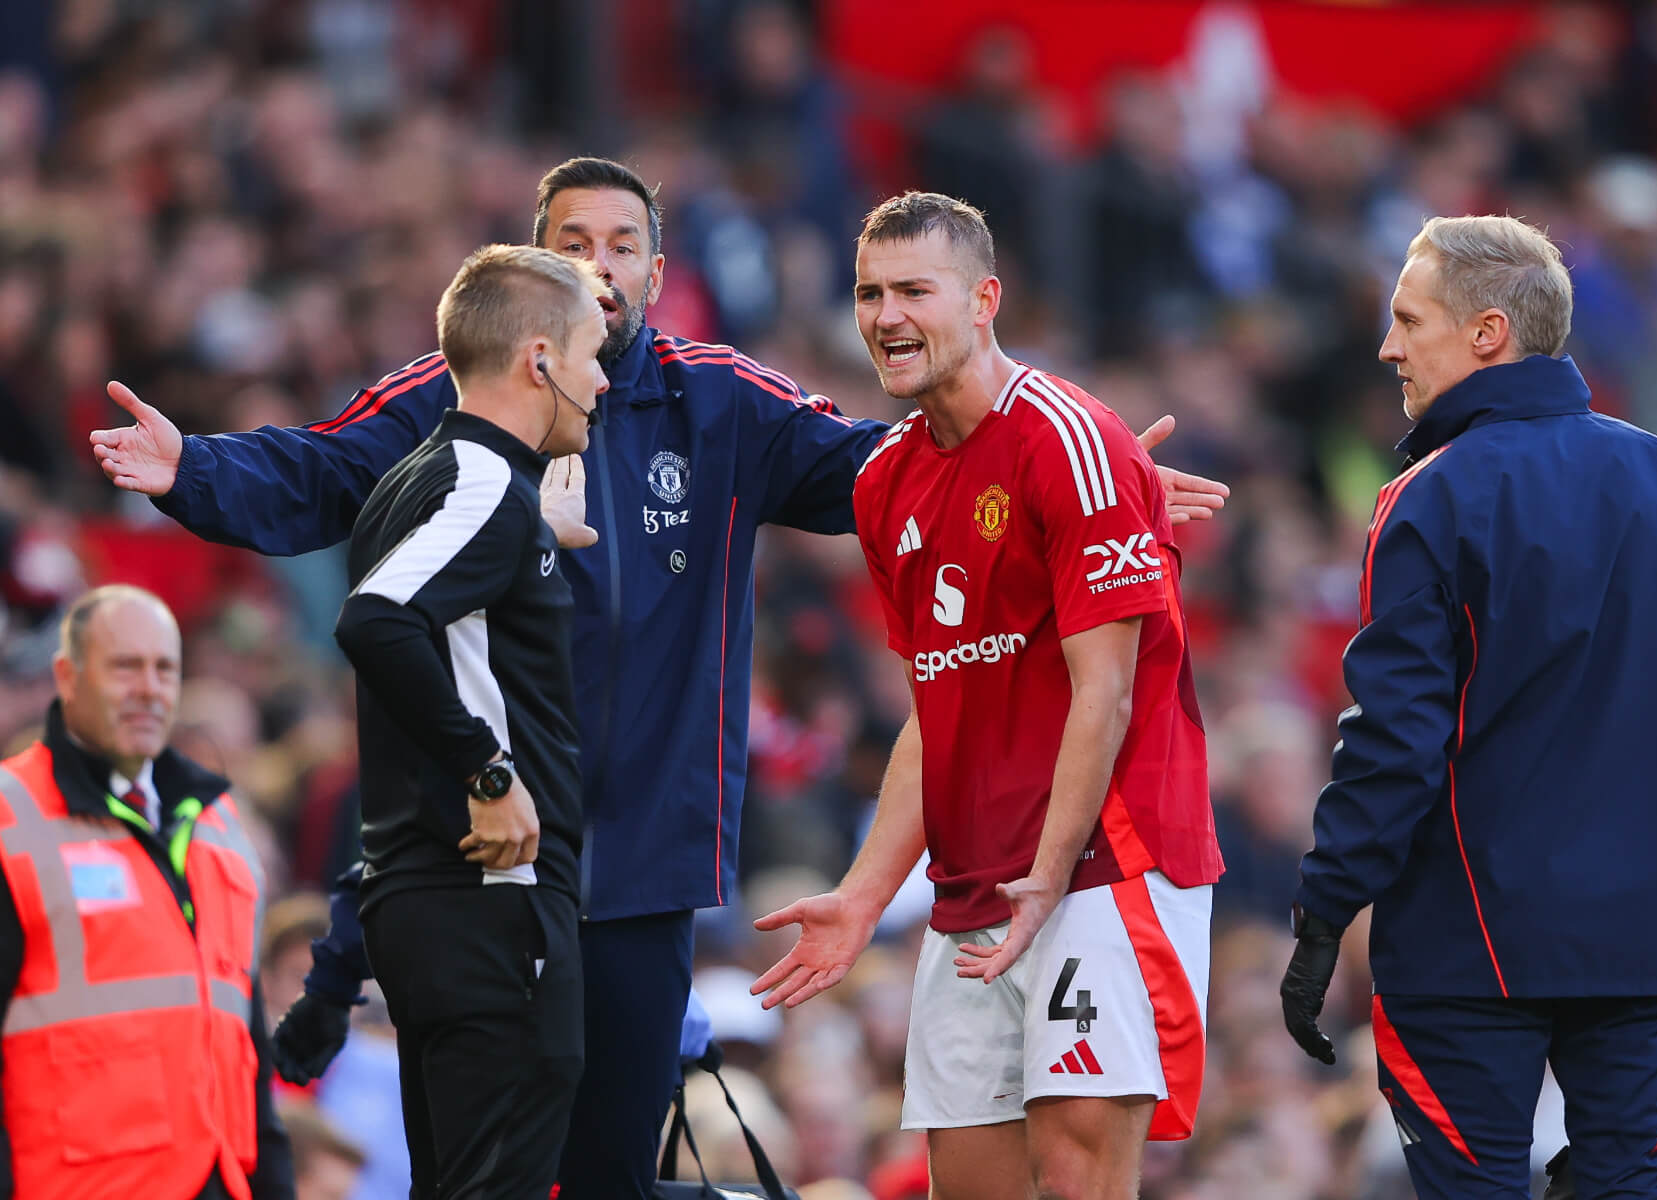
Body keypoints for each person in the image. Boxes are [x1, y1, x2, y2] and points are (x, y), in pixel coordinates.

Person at [88, 156, 1229, 1197]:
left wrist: (1082, 486)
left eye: (622, 242)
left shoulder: (719, 397)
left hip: (642, 866)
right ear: (537, 263)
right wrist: (192, 469)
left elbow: (879, 463)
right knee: (481, 1171)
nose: (598, 263)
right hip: (486, 855)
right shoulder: (458, 398)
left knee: (612, 1170)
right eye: (572, 240)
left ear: (656, 267)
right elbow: (324, 468)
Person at [1277, 215, 1657, 1199]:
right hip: (1652, 950)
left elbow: (1395, 743)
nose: (1388, 347)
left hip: (1467, 953)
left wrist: (1324, 914)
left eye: (1407, 319)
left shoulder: (1427, 497)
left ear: (1488, 332)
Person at [750, 192, 1223, 1200]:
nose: (885, 316)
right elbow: (939, 708)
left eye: (916, 290)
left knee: (1077, 1169)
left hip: (1105, 867)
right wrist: (866, 893)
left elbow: (1108, 692)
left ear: (985, 300)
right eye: (870, 293)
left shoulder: (1069, 437)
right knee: (964, 1181)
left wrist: (1049, 879)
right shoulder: (884, 486)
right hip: (974, 885)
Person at [330, 244, 604, 1198]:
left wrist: (534, 534)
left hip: (437, 902)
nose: (602, 379)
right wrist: (489, 772)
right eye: (590, 353)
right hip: (490, 892)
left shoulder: (427, 480)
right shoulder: (480, 483)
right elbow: (375, 620)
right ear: (539, 360)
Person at [0, 584, 294, 1199]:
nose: (148, 688)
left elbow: (247, 1046)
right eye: (124, 666)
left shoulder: (219, 826)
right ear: (68, 676)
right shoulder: (10, 815)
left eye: (164, 669)